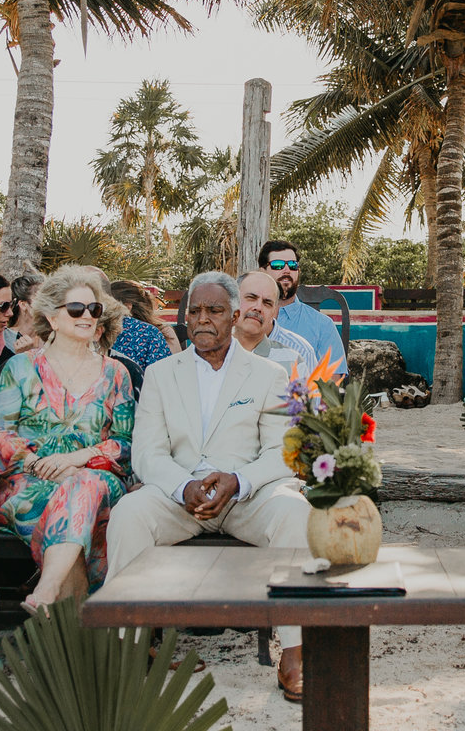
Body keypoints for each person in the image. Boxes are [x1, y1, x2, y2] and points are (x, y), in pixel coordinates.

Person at [106, 270, 313, 690]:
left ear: (235, 316)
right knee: (128, 513)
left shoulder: (269, 374)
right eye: (194, 310)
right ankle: (130, 644)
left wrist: (238, 479)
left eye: (214, 310)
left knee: (296, 513)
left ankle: (296, 649)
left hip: (246, 496)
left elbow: (282, 453)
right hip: (179, 495)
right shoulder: (162, 373)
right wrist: (184, 487)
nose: (202, 319)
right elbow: (148, 453)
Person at [0, 265, 136, 608]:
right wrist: (38, 463)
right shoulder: (21, 368)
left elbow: (126, 442)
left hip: (98, 481)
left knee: (85, 486)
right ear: (52, 318)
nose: (86, 316)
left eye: (93, 309)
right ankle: (89, 648)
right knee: (79, 519)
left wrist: (76, 460)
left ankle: (46, 590)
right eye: (75, 308)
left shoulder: (115, 373)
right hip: (29, 482)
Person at [257, 238, 347, 371]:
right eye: (278, 265)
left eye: (293, 265)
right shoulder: (247, 320)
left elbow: (331, 382)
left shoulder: (322, 325)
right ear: (262, 271)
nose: (287, 270)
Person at [235, 269, 318, 373]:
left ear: (274, 312)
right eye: (251, 298)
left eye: (267, 303)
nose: (258, 307)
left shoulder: (297, 355)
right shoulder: (212, 349)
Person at [107, 278, 177, 375]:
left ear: (127, 307)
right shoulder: (155, 332)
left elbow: (174, 369)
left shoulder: (159, 332)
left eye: (109, 305)